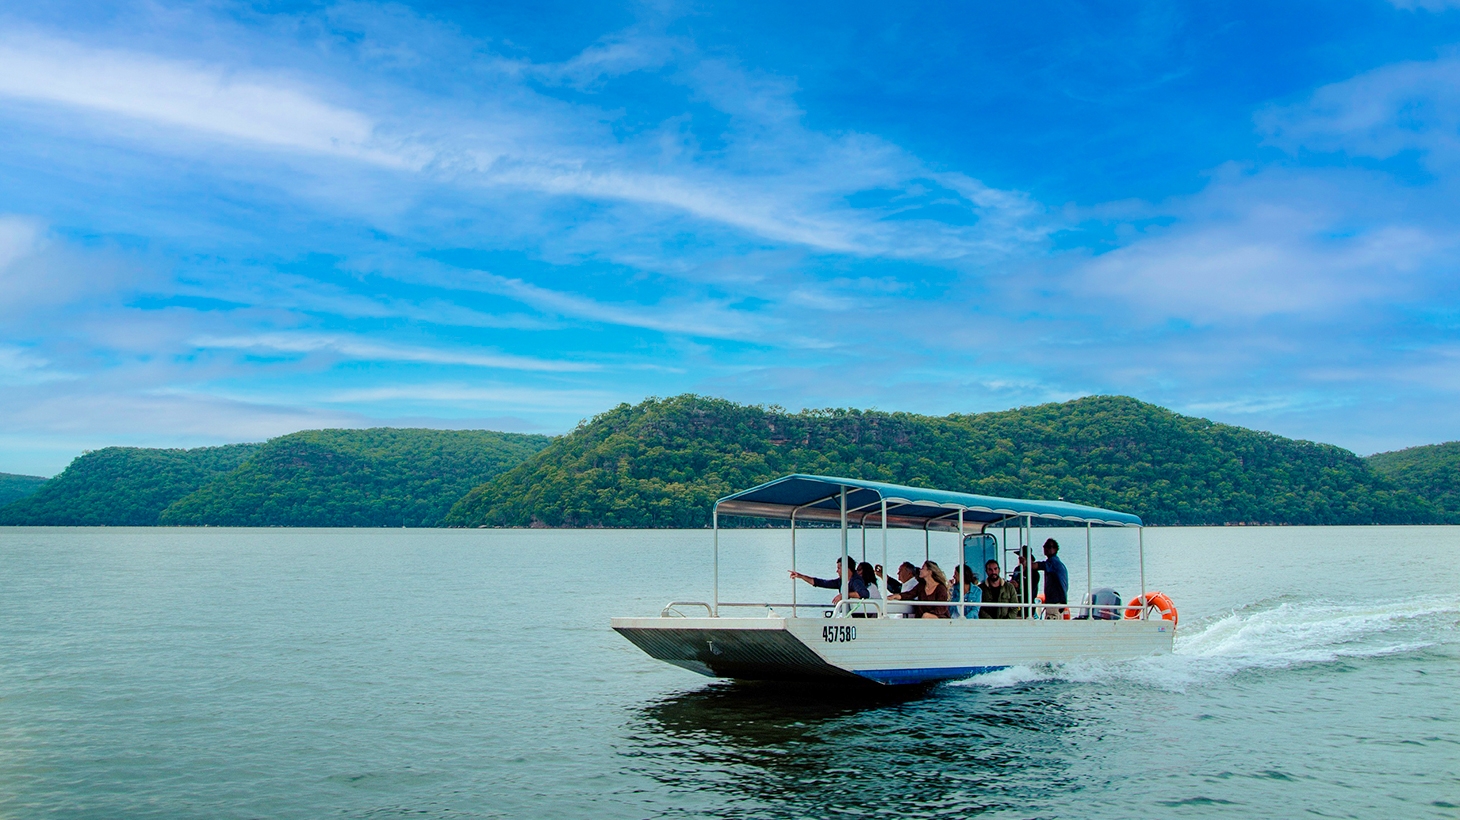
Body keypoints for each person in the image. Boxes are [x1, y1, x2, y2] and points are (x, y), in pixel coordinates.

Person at [789, 558, 867, 604]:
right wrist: (801, 576)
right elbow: (822, 583)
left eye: (839, 568)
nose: (837, 571)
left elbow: (864, 593)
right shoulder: (841, 581)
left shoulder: (856, 581)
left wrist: (844, 595)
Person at [1033, 538, 1069, 617]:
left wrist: (1027, 563)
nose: (1046, 549)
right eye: (1045, 546)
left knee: (1052, 622)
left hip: (1055, 603)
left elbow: (1039, 566)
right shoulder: (1056, 562)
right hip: (1057, 602)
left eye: (1049, 547)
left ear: (1055, 549)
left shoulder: (1053, 563)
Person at [1009, 546, 1039, 618]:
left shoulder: (1034, 573)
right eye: (1020, 557)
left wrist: (1018, 586)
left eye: (1023, 558)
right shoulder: (1017, 569)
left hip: (1027, 605)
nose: (1020, 560)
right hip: (1016, 603)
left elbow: (1031, 589)